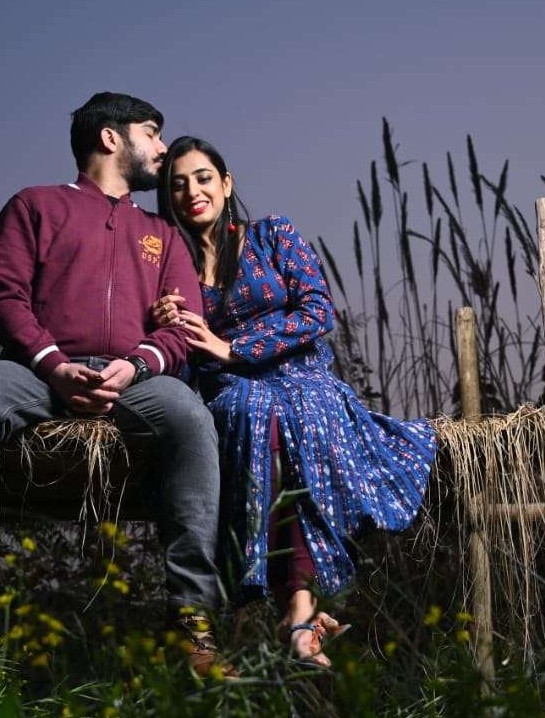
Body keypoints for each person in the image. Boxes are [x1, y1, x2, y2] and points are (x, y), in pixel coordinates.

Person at [0, 95, 234, 677]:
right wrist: (53, 365)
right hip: (37, 373)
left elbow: (183, 327)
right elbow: (3, 295)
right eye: (151, 133)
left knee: (191, 417)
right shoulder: (35, 205)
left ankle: (192, 623)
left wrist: (136, 365)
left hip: (132, 380)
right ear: (110, 137)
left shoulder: (163, 233)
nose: (162, 148)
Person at [151, 136, 438, 667]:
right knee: (253, 412)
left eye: (203, 178)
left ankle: (299, 611)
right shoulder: (174, 267)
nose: (193, 192)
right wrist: (164, 320)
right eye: (178, 185)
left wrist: (235, 346)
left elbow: (317, 311)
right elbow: (182, 354)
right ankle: (299, 614)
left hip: (300, 372)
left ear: (226, 183)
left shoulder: (272, 234)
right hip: (231, 385)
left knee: (305, 410)